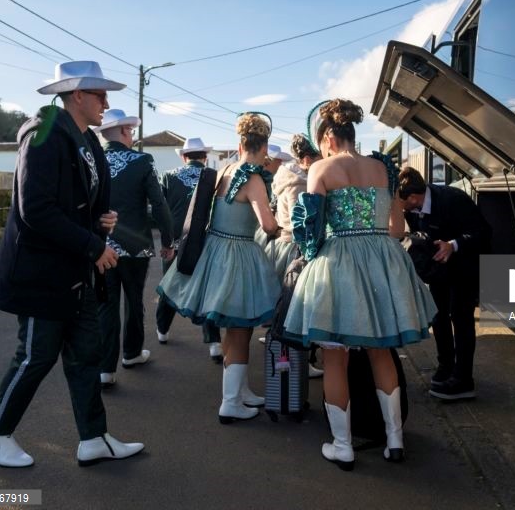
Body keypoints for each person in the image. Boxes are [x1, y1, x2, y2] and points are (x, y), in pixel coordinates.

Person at [0, 61, 144, 467]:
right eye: (101, 94)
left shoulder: (86, 139)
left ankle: (94, 438)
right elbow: (35, 208)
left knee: (85, 354)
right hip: (42, 274)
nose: (107, 102)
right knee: (36, 355)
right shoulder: (44, 134)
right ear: (78, 95)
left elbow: (77, 202)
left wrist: (101, 220)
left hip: (74, 272)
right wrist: (93, 244)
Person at [283, 99, 437, 470]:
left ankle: (342, 445)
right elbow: (398, 229)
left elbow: (311, 231)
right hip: (383, 259)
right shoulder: (383, 168)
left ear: (329, 138)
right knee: (381, 352)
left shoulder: (321, 168)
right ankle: (395, 440)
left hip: (339, 262)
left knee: (335, 359)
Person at [157, 113, 280, 423]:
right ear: (263, 145)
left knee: (235, 329)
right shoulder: (253, 177)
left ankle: (240, 392)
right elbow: (267, 225)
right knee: (240, 330)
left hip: (215, 251)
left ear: (240, 143)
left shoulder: (224, 169)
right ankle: (230, 403)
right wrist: (282, 226)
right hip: (239, 255)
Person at [94, 109, 175, 388]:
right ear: (126, 132)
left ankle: (105, 368)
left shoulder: (89, 159)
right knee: (133, 300)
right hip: (136, 245)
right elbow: (160, 204)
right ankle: (131, 354)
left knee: (105, 305)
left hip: (98, 245)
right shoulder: (143, 160)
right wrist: (168, 241)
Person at [398, 166, 491, 400]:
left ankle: (463, 379)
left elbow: (482, 232)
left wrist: (454, 244)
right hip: (439, 270)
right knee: (438, 316)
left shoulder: (453, 199)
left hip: (465, 267)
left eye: (401, 202)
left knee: (461, 319)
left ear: (412, 197)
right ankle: (445, 366)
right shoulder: (411, 209)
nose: (398, 207)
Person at [156, 137, 223, 363]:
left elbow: (161, 210)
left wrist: (166, 241)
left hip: (176, 240)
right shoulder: (215, 178)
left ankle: (162, 330)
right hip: (205, 240)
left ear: (184, 157)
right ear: (204, 157)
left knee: (170, 286)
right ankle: (214, 342)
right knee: (207, 290)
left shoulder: (169, 176)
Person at [264, 134, 324, 378]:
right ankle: (296, 363)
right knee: (297, 308)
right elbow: (303, 222)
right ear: (308, 159)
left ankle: (286, 361)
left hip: (280, 246)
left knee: (284, 307)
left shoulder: (284, 176)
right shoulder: (302, 182)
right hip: (296, 247)